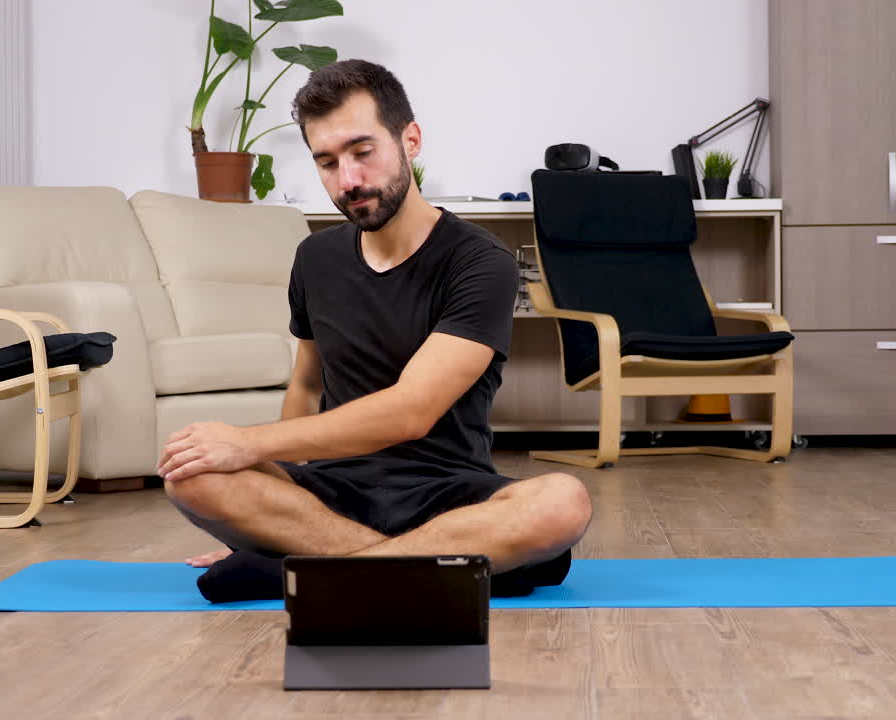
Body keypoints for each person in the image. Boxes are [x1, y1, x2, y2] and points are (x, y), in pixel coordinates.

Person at [159, 59, 592, 602]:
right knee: (188, 471)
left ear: (410, 140)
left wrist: (246, 446)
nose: (349, 180)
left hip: (449, 493)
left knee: (563, 501)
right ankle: (435, 566)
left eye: (363, 153)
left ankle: (306, 568)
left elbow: (411, 411)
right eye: (328, 163)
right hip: (331, 493)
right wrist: (265, 507)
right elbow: (308, 386)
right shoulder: (314, 258)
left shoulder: (482, 263)